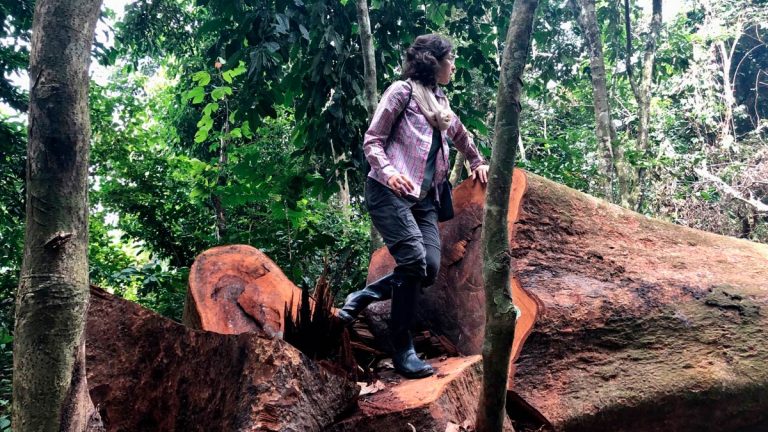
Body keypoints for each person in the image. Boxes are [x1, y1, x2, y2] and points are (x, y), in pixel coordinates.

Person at [337, 34, 489, 379]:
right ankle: (402, 347)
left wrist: (477, 160)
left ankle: (363, 296)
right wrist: (389, 173)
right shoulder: (401, 92)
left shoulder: (440, 101)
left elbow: (460, 133)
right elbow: (372, 140)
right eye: (450, 59)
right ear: (433, 62)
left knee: (429, 268)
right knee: (413, 260)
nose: (454, 65)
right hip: (387, 192)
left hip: (424, 201)